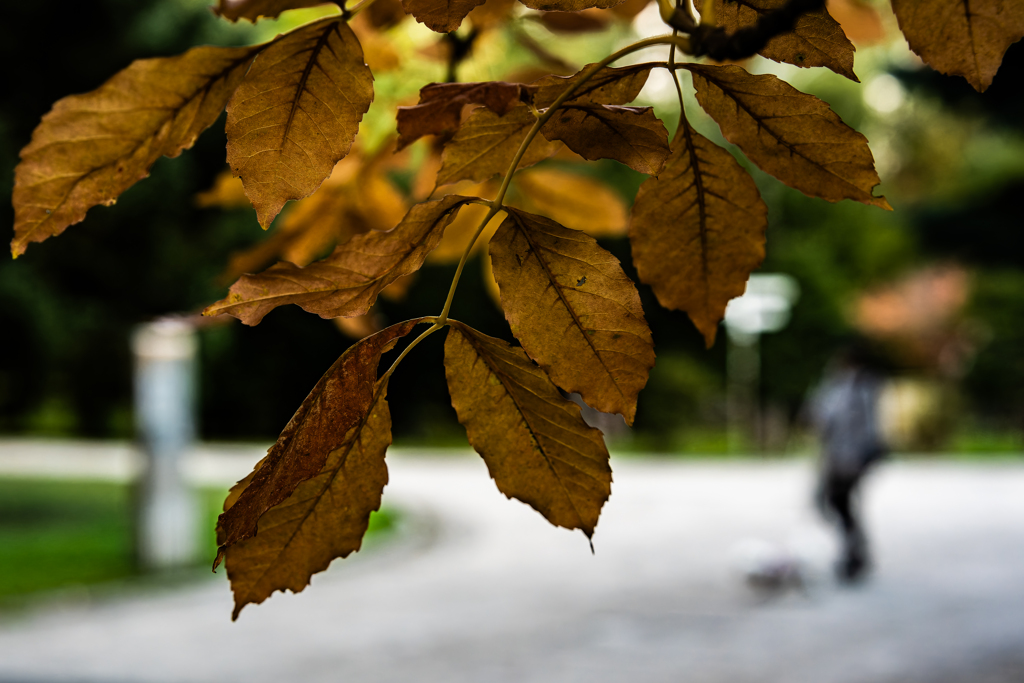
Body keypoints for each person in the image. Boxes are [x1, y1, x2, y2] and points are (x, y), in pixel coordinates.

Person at [809, 344, 889, 582]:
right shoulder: (864, 385)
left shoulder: (852, 386)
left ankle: (854, 554)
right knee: (840, 504)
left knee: (837, 503)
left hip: (848, 456)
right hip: (847, 455)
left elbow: (826, 416)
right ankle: (855, 552)